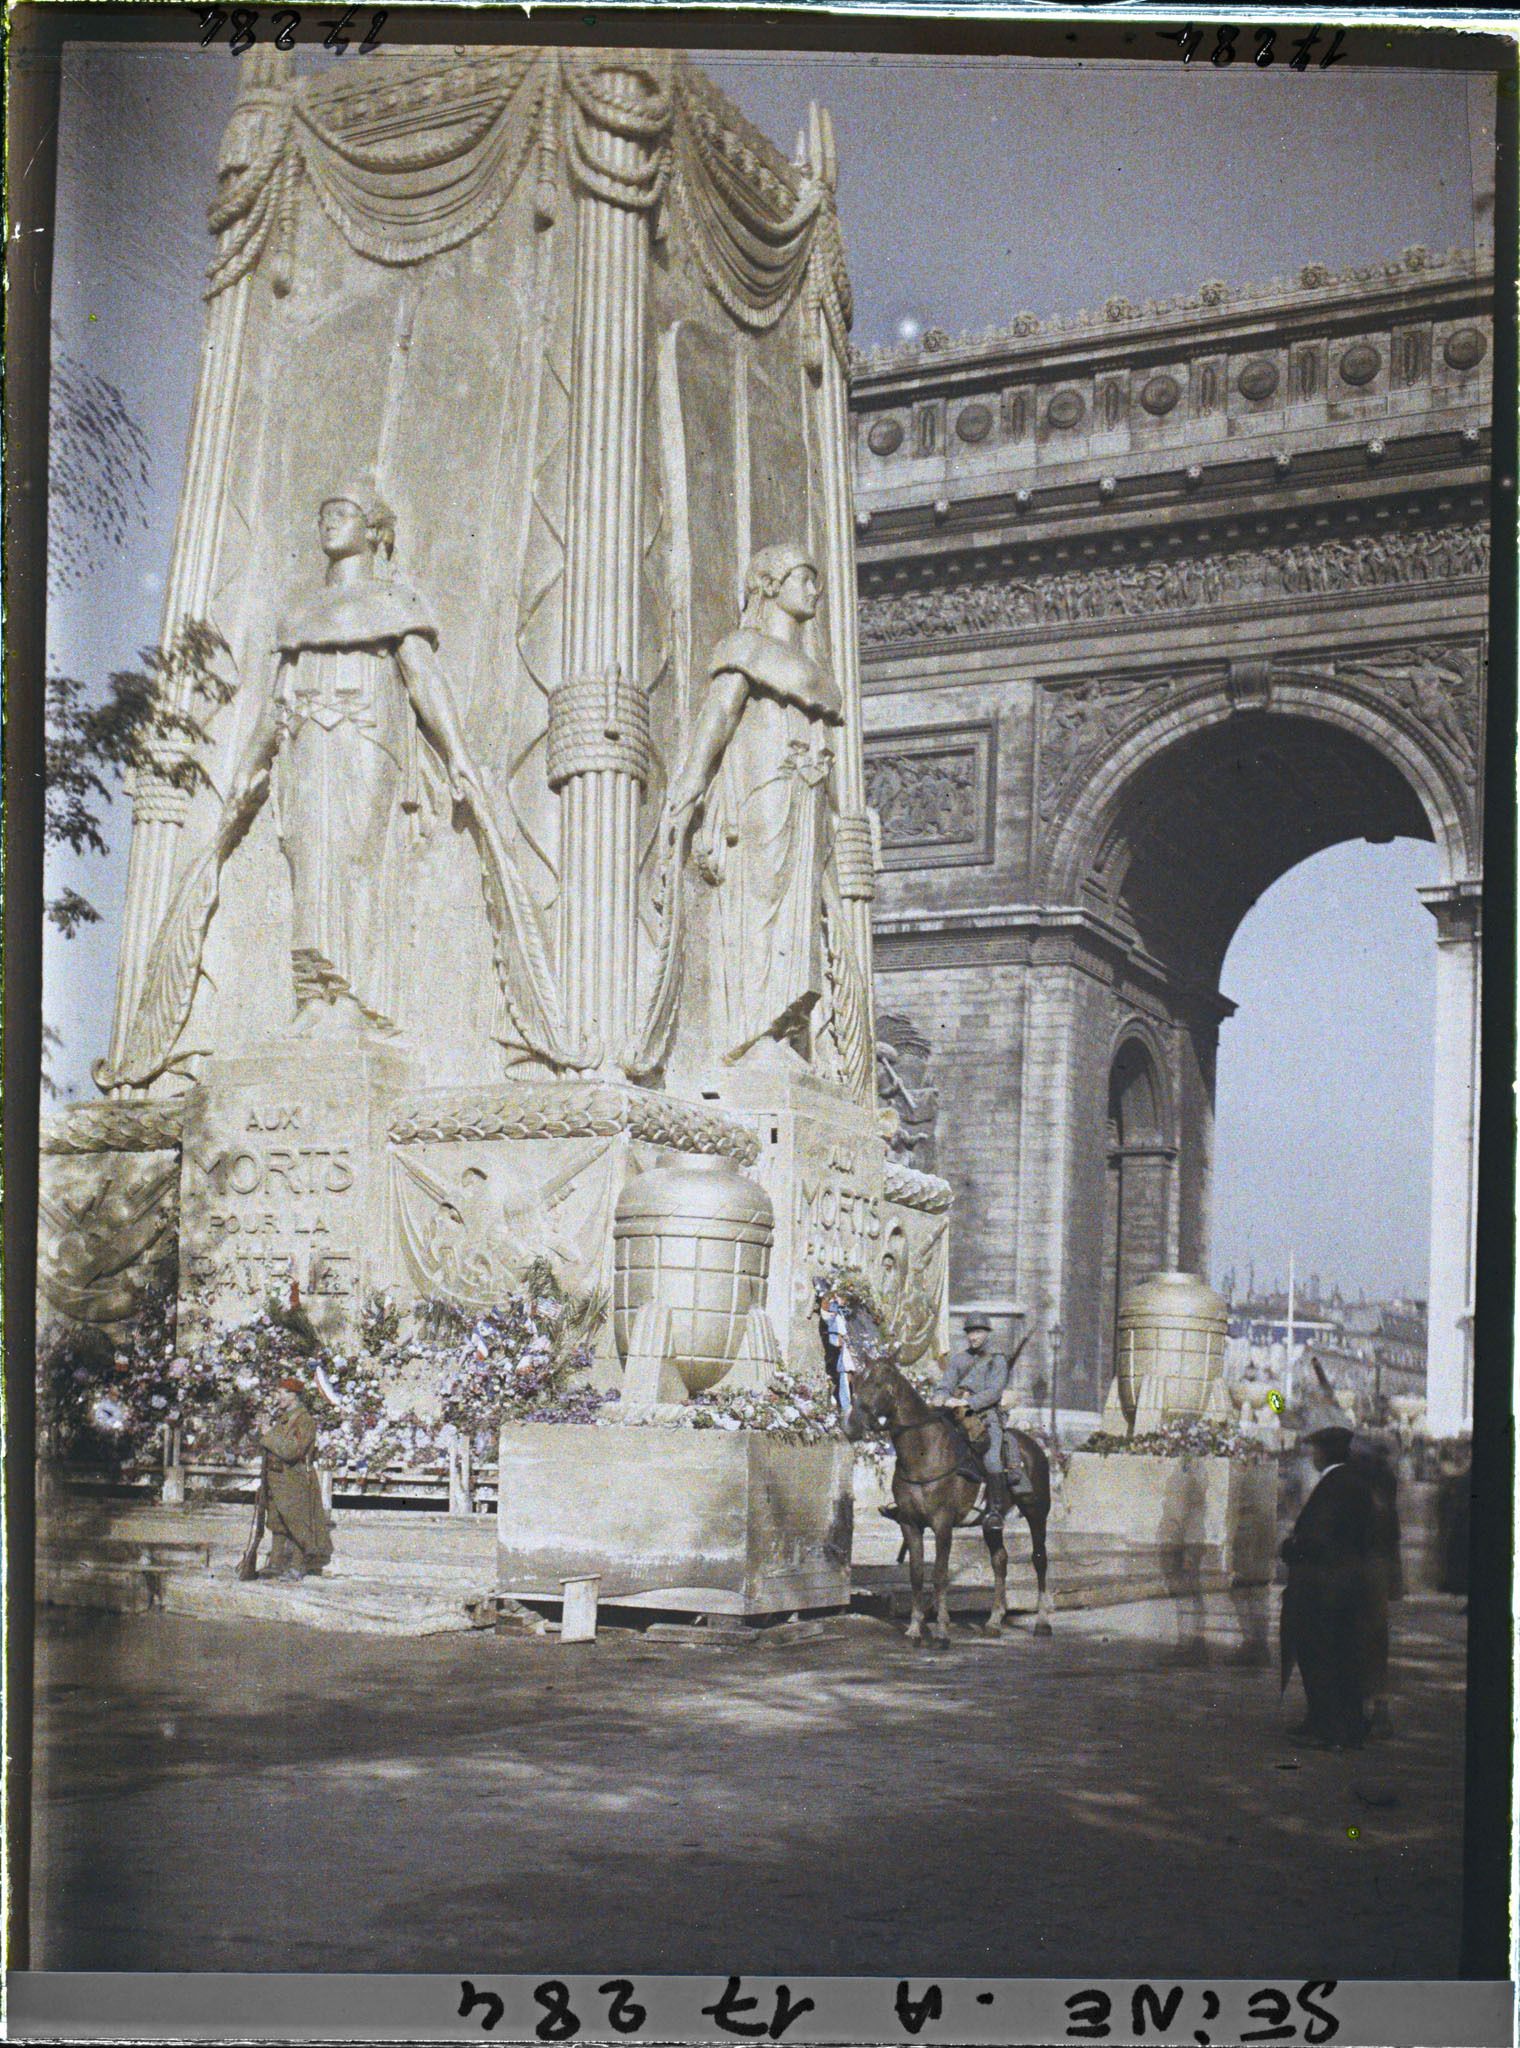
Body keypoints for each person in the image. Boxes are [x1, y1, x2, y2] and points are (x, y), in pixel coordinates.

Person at [1279, 1423, 1389, 1748]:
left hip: (1328, 1584)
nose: (1312, 1456)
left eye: (1315, 1450)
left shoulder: (1338, 1484)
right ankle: (1322, 1721)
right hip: (1342, 1581)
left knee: (1327, 1655)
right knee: (1332, 1654)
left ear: (1326, 1452)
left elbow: (1320, 1538)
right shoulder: (1349, 1481)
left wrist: (1290, 1548)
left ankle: (1338, 1729)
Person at [934, 1314, 1030, 1532]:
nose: (973, 1337)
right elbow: (946, 1384)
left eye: (978, 1332)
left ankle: (995, 1511)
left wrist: (966, 1402)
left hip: (986, 1417)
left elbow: (994, 1393)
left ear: (987, 1334)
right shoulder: (959, 1359)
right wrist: (940, 1396)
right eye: (970, 1332)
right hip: (957, 1415)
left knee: (992, 1459)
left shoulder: (997, 1360)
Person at [258, 1378, 334, 1581]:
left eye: (281, 1393)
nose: (278, 1398)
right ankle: (275, 1563)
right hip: (278, 1479)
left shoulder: (304, 1420)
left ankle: (297, 1566)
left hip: (294, 1479)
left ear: (293, 1395)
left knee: (297, 1524)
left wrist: (268, 1435)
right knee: (277, 1521)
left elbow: (292, 1450)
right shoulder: (285, 1418)